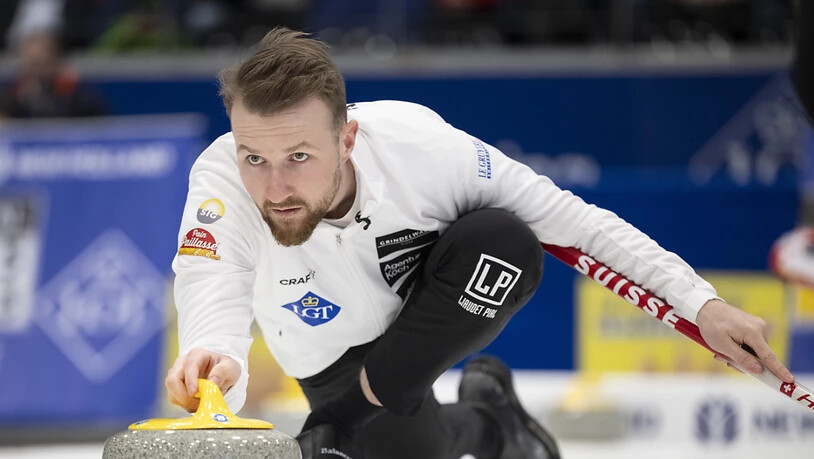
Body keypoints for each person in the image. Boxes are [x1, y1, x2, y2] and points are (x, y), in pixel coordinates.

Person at [164, 27, 795, 459]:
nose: (274, 186)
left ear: (348, 138)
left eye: (299, 155)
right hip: (327, 351)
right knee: (423, 447)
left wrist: (699, 304)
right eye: (255, 156)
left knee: (505, 240)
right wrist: (216, 359)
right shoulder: (223, 179)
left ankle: (353, 415)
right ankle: (496, 425)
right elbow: (211, 281)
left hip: (430, 307)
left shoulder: (423, 149)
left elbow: (574, 226)